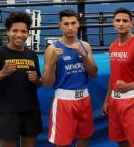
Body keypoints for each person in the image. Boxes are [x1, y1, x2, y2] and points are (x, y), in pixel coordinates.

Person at [0, 11, 42, 147]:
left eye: (24, 31)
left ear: (28, 33)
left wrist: (37, 80)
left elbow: (39, 83)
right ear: (8, 32)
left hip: (31, 110)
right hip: (7, 112)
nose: (20, 35)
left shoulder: (32, 54)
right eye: (15, 30)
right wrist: (1, 74)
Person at [42, 9, 98, 147]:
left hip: (84, 99)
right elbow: (48, 83)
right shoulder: (52, 49)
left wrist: (84, 55)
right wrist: (51, 62)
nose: (70, 27)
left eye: (73, 23)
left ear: (78, 24)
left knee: (84, 138)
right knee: (62, 143)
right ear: (59, 26)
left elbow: (93, 73)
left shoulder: (85, 46)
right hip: (64, 101)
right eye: (66, 24)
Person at [102, 7, 134, 147]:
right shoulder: (113, 46)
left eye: (125, 21)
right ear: (113, 23)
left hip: (133, 100)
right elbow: (113, 75)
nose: (121, 23)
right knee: (120, 139)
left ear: (131, 23)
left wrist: (129, 86)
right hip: (114, 100)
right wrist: (107, 100)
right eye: (118, 20)